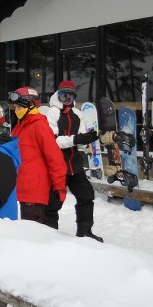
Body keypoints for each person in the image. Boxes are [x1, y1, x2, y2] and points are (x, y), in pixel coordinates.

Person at [4, 86, 67, 307]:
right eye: (15, 107)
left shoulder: (39, 126)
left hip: (37, 196)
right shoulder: (21, 127)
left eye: (19, 106)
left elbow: (55, 159)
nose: (16, 110)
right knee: (29, 252)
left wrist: (59, 190)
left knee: (34, 256)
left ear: (30, 105)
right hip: (24, 194)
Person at [43, 80, 103, 242]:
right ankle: (49, 233)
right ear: (58, 95)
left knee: (86, 194)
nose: (67, 100)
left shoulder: (77, 114)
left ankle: (85, 231)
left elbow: (81, 135)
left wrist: (89, 137)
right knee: (54, 201)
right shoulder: (53, 113)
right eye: (64, 96)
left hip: (74, 163)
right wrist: (77, 138)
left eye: (70, 97)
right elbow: (53, 141)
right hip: (58, 163)